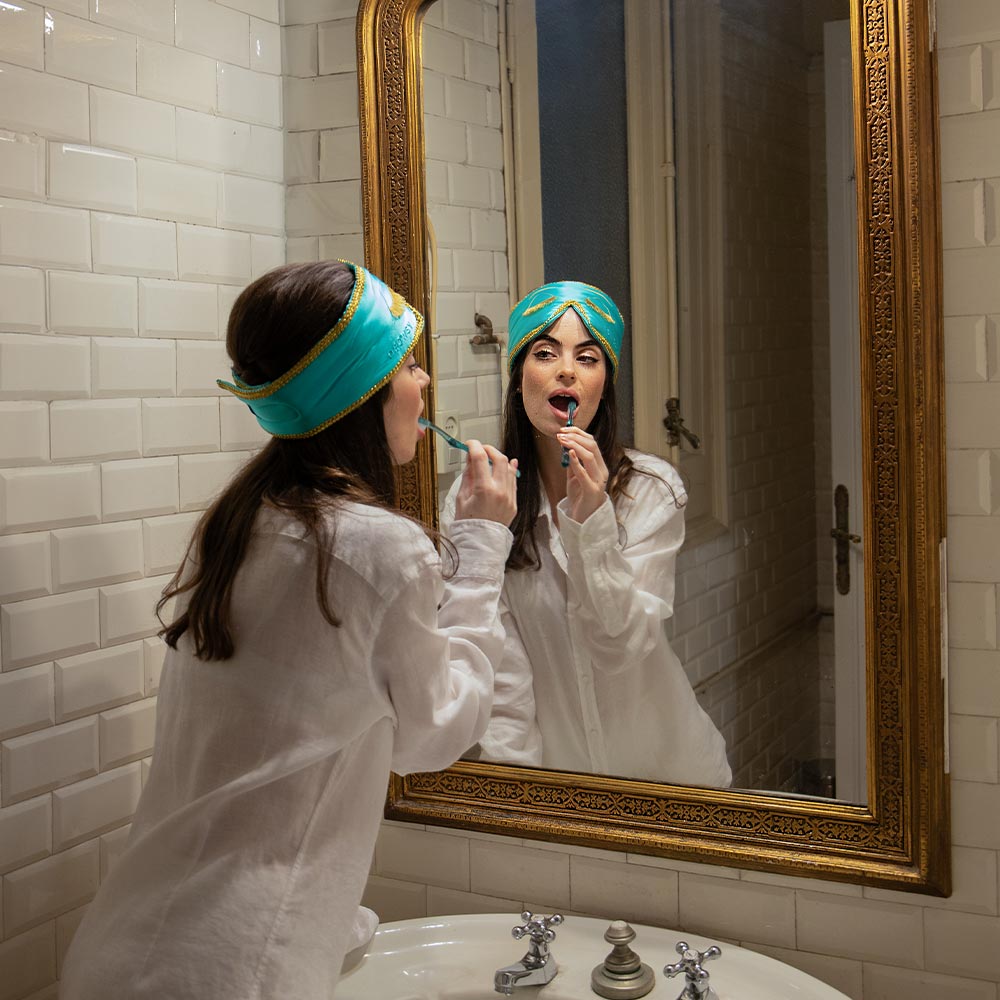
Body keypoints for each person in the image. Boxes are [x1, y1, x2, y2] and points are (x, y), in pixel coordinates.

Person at [59, 261, 519, 1000]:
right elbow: (432, 734)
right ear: (361, 390)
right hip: (235, 973)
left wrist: (324, 918)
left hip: (119, 950)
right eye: (406, 362)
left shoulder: (240, 525)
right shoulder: (379, 549)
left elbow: (280, 743)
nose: (425, 381)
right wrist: (483, 542)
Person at [444, 280, 731, 786]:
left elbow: (619, 646)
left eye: (588, 357)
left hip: (675, 779)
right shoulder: (477, 498)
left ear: (604, 386)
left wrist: (592, 518)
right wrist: (522, 796)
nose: (567, 371)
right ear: (518, 377)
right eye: (545, 352)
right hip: (561, 784)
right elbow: (501, 677)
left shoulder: (652, 491)